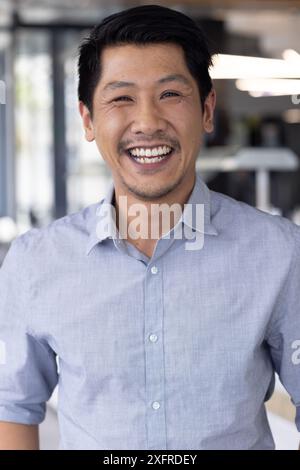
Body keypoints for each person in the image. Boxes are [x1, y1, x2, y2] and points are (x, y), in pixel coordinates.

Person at [0, 4, 299, 450]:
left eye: (170, 95)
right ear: (87, 119)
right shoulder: (35, 261)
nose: (147, 123)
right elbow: (12, 410)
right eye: (121, 98)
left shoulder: (281, 253)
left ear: (207, 109)